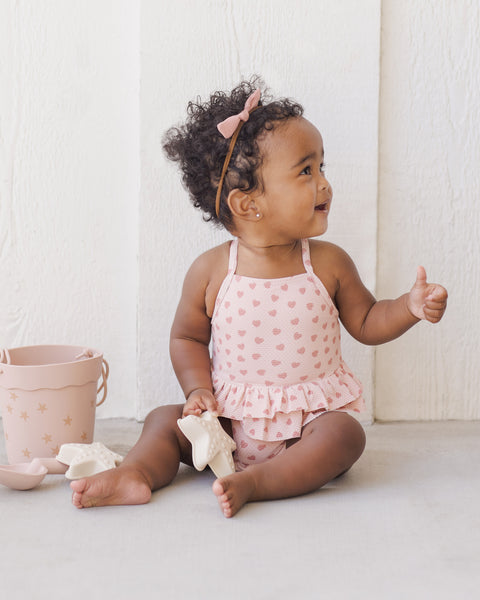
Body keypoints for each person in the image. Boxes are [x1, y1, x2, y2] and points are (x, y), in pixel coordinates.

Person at [71, 78, 448, 517]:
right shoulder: (211, 271)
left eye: (323, 167)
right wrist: (198, 391)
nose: (324, 184)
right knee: (163, 420)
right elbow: (188, 339)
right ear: (248, 204)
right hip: (228, 422)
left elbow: (366, 322)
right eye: (307, 171)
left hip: (305, 428)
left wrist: (408, 307)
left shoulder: (327, 264)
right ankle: (136, 473)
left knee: (345, 435)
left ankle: (258, 481)